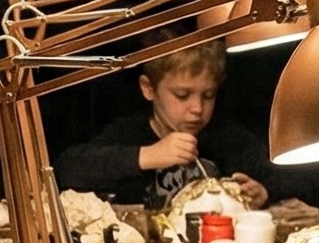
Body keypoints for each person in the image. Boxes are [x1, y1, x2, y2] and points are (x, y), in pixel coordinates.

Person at [56, 40, 273, 207]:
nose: (197, 108)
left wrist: (264, 192)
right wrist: (146, 156)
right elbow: (67, 169)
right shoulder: (128, 132)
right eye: (182, 95)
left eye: (208, 95)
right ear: (148, 89)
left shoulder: (227, 138)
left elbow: (289, 176)